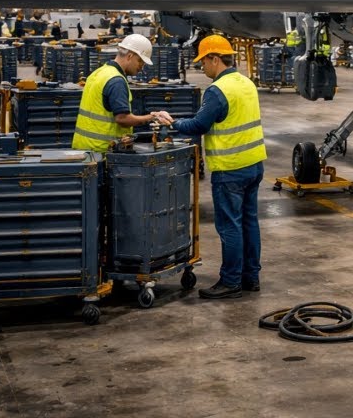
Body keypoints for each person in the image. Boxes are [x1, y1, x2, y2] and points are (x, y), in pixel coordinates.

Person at [172, 34, 266, 300]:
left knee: (230, 226)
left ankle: (231, 281)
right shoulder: (246, 82)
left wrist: (172, 122)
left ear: (215, 58)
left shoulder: (218, 90)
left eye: (204, 62)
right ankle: (251, 277)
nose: (202, 67)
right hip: (254, 164)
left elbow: (198, 126)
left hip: (230, 169)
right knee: (249, 223)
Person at [72, 34, 172, 152]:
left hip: (84, 147)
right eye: (140, 61)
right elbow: (123, 119)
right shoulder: (116, 81)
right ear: (130, 56)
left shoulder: (100, 72)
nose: (142, 67)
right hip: (102, 150)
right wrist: (153, 117)